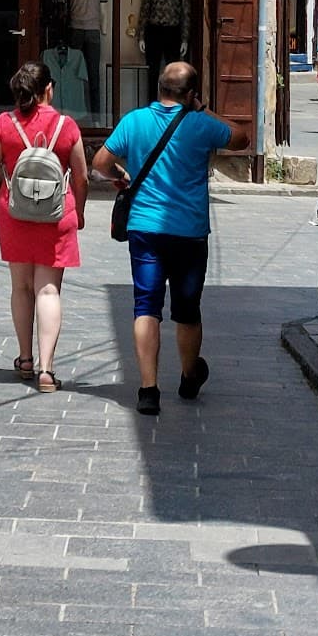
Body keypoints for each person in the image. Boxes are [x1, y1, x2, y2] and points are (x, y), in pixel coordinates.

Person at [93, 61, 248, 416]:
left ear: (159, 88)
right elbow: (242, 138)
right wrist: (203, 107)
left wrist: (121, 175)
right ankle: (189, 375)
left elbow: (100, 161)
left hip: (145, 229)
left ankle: (148, 390)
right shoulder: (201, 124)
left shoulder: (134, 121)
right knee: (187, 311)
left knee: (146, 306)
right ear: (191, 94)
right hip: (189, 232)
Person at [0, 61, 89, 392]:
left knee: (21, 287)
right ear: (49, 89)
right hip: (56, 215)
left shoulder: (4, 123)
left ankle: (25, 358)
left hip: (15, 214)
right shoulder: (67, 125)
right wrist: (79, 211)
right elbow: (81, 175)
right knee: (48, 289)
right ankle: (47, 369)